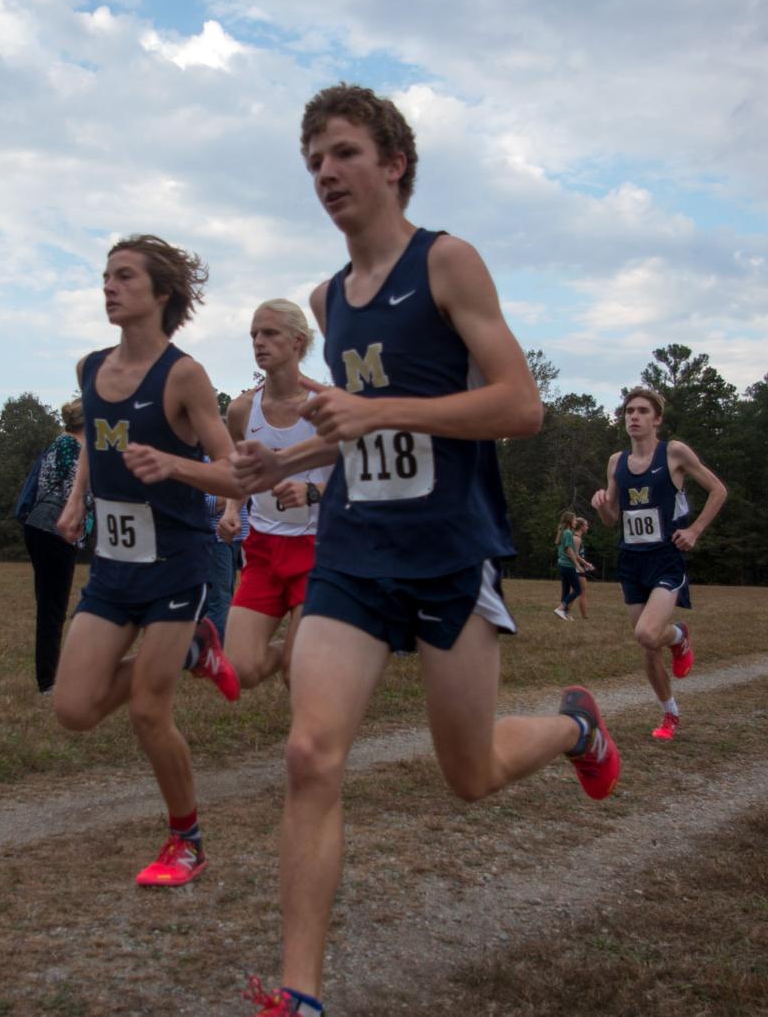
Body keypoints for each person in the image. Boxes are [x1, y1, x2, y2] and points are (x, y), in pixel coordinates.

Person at [232, 84, 620, 1017]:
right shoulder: (329, 300)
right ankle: (301, 993)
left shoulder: (447, 262)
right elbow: (359, 436)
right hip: (356, 554)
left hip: (451, 554)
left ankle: (577, 727)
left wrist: (377, 410)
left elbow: (520, 407)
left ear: (394, 162)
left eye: (345, 153)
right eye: (314, 159)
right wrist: (283, 457)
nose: (327, 172)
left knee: (470, 774)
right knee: (311, 754)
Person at [53, 234, 241, 888]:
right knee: (73, 708)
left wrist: (173, 465)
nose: (109, 286)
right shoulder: (91, 368)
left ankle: (186, 840)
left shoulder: (183, 375)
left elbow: (234, 474)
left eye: (125, 276)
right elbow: (93, 448)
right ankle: (193, 652)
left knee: (146, 712)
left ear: (161, 294)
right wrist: (78, 500)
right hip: (111, 566)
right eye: (105, 275)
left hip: (176, 564)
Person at [590, 386, 728, 741]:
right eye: (628, 412)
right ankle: (670, 714)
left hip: (666, 559)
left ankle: (680, 636)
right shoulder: (616, 462)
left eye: (642, 411)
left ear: (657, 419)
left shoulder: (674, 453)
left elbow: (718, 490)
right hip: (630, 561)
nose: (633, 417)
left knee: (648, 633)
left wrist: (695, 530)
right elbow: (613, 518)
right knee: (647, 645)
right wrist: (602, 504)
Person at [222, 299, 334, 691]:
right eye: (254, 333)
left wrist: (313, 491)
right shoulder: (240, 410)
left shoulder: (324, 405)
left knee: (297, 674)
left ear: (298, 341)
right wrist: (233, 509)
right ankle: (312, 648)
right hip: (264, 550)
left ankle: (309, 654)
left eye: (269, 333)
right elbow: (241, 475)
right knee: (239, 670)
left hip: (318, 549)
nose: (258, 341)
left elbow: (357, 477)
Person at [22, 399, 90, 694]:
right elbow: (75, 493)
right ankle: (48, 680)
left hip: (44, 527)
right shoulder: (71, 447)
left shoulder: (63, 443)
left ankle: (49, 675)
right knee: (53, 606)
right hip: (54, 529)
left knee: (51, 604)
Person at [203, 466, 249, 643]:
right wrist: (236, 493)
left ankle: (216, 646)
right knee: (219, 599)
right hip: (216, 538)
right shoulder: (203, 461)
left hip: (237, 536)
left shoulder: (233, 460)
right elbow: (205, 505)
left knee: (227, 595)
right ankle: (215, 651)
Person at [552, 510, 587, 620]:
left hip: (562, 564)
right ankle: (561, 608)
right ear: (569, 520)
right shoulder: (568, 533)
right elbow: (569, 550)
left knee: (566, 590)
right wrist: (577, 565)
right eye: (574, 519)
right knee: (578, 590)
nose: (575, 522)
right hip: (567, 565)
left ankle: (565, 613)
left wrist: (585, 563)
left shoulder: (564, 532)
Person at [574, 516, 594, 619]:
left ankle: (564, 611)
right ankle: (585, 617)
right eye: (586, 525)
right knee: (582, 592)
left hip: (577, 568)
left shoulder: (577, 537)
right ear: (581, 526)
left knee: (576, 592)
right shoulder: (576, 538)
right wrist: (587, 564)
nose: (587, 527)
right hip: (577, 569)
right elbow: (575, 555)